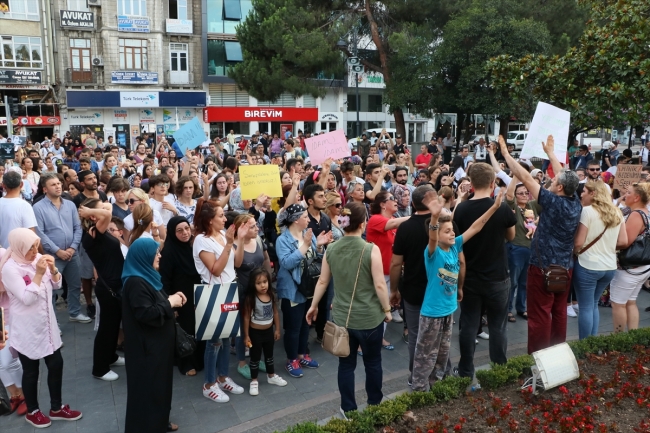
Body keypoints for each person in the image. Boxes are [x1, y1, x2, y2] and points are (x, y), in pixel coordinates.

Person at [412, 188, 504, 392]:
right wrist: (435, 215)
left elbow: (476, 227)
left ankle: (437, 385)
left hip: (448, 310)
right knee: (425, 354)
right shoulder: (432, 253)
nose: (452, 233)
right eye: (447, 231)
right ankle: (418, 390)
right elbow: (433, 236)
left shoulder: (455, 246)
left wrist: (495, 206)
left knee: (443, 353)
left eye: (452, 229)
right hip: (432, 313)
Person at [306, 202, 392, 418]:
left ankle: (348, 408)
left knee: (346, 365)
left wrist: (313, 305)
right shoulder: (370, 249)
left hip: (342, 319)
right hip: (370, 318)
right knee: (373, 363)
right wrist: (387, 309)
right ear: (363, 223)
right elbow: (380, 285)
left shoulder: (331, 249)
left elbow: (323, 282)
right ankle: (374, 404)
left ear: (343, 223)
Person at [498, 135, 582, 354]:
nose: (551, 181)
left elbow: (526, 178)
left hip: (543, 268)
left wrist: (507, 155)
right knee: (559, 311)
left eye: (554, 181)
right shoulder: (575, 201)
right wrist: (551, 154)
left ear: (560, 187)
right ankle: (557, 351)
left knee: (540, 314)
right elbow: (565, 176)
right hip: (566, 268)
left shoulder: (552, 202)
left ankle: (539, 356)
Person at [1, 228, 82, 428]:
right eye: (29, 248)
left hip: (46, 324)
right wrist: (38, 273)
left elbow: (57, 286)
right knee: (31, 371)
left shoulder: (37, 257)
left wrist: (53, 270)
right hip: (27, 327)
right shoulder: (10, 269)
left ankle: (56, 407)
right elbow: (27, 297)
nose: (34, 251)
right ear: (19, 248)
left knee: (56, 363)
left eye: (36, 246)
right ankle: (33, 411)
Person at [452, 162, 516, 380]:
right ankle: (499, 369)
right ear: (492, 183)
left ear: (470, 182)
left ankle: (465, 370)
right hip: (498, 275)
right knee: (498, 326)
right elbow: (510, 236)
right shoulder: (502, 207)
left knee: (468, 325)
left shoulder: (461, 208)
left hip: (469, 275)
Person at [122, 238, 183, 433]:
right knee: (148, 391)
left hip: (157, 348)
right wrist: (170, 303)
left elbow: (155, 304)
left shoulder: (147, 277)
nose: (160, 256)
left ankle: (159, 422)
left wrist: (170, 303)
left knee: (160, 388)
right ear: (144, 257)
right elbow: (145, 314)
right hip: (146, 351)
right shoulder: (135, 282)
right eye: (156, 253)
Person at [192, 199, 245, 402]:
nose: (225, 218)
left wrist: (237, 241)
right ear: (209, 220)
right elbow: (215, 269)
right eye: (221, 215)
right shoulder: (201, 240)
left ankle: (223, 377)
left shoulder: (223, 235)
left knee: (226, 337)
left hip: (229, 289)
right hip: (214, 292)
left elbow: (237, 263)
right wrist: (230, 243)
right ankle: (209, 383)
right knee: (214, 342)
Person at [275, 204, 329, 378]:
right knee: (293, 327)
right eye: (305, 217)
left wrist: (319, 246)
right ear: (296, 220)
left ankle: (301, 354)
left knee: (306, 322)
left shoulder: (309, 235)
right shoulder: (282, 240)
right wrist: (305, 245)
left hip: (309, 287)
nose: (308, 219)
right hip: (293, 289)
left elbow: (315, 259)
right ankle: (291, 359)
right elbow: (287, 263)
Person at [389, 185, 434, 382]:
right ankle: (437, 372)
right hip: (439, 290)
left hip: (413, 288)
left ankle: (416, 375)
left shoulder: (405, 227)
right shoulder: (446, 223)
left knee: (415, 334)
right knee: (439, 333)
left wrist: (394, 290)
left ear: (413, 203)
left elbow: (396, 262)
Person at [33, 174, 92, 323]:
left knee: (74, 285)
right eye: (53, 184)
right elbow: (41, 233)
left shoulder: (70, 204)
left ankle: (74, 312)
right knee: (51, 290)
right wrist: (57, 251)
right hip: (52, 257)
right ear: (45, 189)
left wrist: (72, 248)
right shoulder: (38, 208)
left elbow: (78, 228)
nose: (58, 186)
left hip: (72, 254)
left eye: (59, 183)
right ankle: (52, 322)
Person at [78, 199, 125, 381]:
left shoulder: (101, 231)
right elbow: (108, 214)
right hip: (108, 287)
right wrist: (91, 210)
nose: (106, 208)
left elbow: (108, 211)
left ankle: (110, 356)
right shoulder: (93, 233)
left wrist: (96, 209)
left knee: (113, 326)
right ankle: (100, 368)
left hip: (115, 283)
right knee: (107, 328)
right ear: (92, 216)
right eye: (100, 208)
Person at [573, 181, 625, 339]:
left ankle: (584, 345)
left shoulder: (587, 211)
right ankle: (592, 342)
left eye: (584, 191)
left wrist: (574, 252)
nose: (581, 194)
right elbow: (623, 241)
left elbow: (578, 242)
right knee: (593, 304)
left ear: (593, 194)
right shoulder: (617, 212)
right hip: (609, 266)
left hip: (587, 264)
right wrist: (606, 246)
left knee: (586, 307)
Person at [160, 216, 204, 376]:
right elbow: (164, 279)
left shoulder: (193, 247)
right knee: (185, 329)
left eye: (187, 228)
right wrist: (170, 303)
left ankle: (199, 359)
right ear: (172, 232)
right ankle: (186, 363)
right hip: (180, 298)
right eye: (179, 230)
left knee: (199, 327)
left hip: (197, 294)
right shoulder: (169, 251)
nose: (185, 233)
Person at [232, 214, 273, 379]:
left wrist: (268, 281)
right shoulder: (234, 244)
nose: (257, 229)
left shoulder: (258, 240)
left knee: (259, 326)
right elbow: (238, 263)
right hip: (244, 293)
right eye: (252, 226)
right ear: (241, 228)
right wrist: (241, 240)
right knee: (244, 328)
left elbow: (265, 258)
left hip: (260, 291)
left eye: (256, 225)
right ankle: (242, 362)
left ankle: (257, 358)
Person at [366, 190, 410, 341]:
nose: (396, 200)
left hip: (391, 272)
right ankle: (373, 340)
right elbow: (391, 224)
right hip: (379, 273)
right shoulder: (375, 219)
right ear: (383, 204)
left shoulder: (393, 218)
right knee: (379, 306)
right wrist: (416, 217)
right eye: (392, 198)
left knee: (387, 305)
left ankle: (379, 337)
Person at [610, 183, 650, 332]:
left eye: (628, 193)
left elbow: (625, 242)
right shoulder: (645, 212)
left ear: (637, 197)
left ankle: (619, 339)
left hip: (629, 268)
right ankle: (632, 338)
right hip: (641, 267)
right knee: (630, 302)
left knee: (618, 304)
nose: (625, 195)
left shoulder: (636, 214)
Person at [241, 268, 287, 395]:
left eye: (265, 282)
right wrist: (246, 336)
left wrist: (277, 329)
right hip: (255, 333)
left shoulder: (271, 295)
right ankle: (254, 381)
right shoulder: (251, 298)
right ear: (253, 284)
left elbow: (276, 312)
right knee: (255, 357)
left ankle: (271, 376)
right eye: (259, 283)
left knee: (269, 356)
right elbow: (246, 317)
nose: (263, 285)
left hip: (268, 332)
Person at [504, 179, 539, 322]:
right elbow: (509, 195)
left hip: (531, 248)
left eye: (526, 192)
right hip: (516, 248)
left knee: (525, 282)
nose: (524, 195)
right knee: (512, 281)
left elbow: (544, 193)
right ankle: (507, 310)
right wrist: (514, 176)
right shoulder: (513, 207)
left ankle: (521, 307)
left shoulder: (532, 205)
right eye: (521, 193)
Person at [0, 245, 26, 416]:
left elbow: (7, 285)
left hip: (7, 315)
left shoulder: (3, 254)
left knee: (9, 361)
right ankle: (14, 395)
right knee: (1, 364)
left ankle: (25, 396)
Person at [0, 171, 37, 249]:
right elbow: (31, 234)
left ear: (3, 185)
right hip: (19, 254)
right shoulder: (25, 206)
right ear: (21, 184)